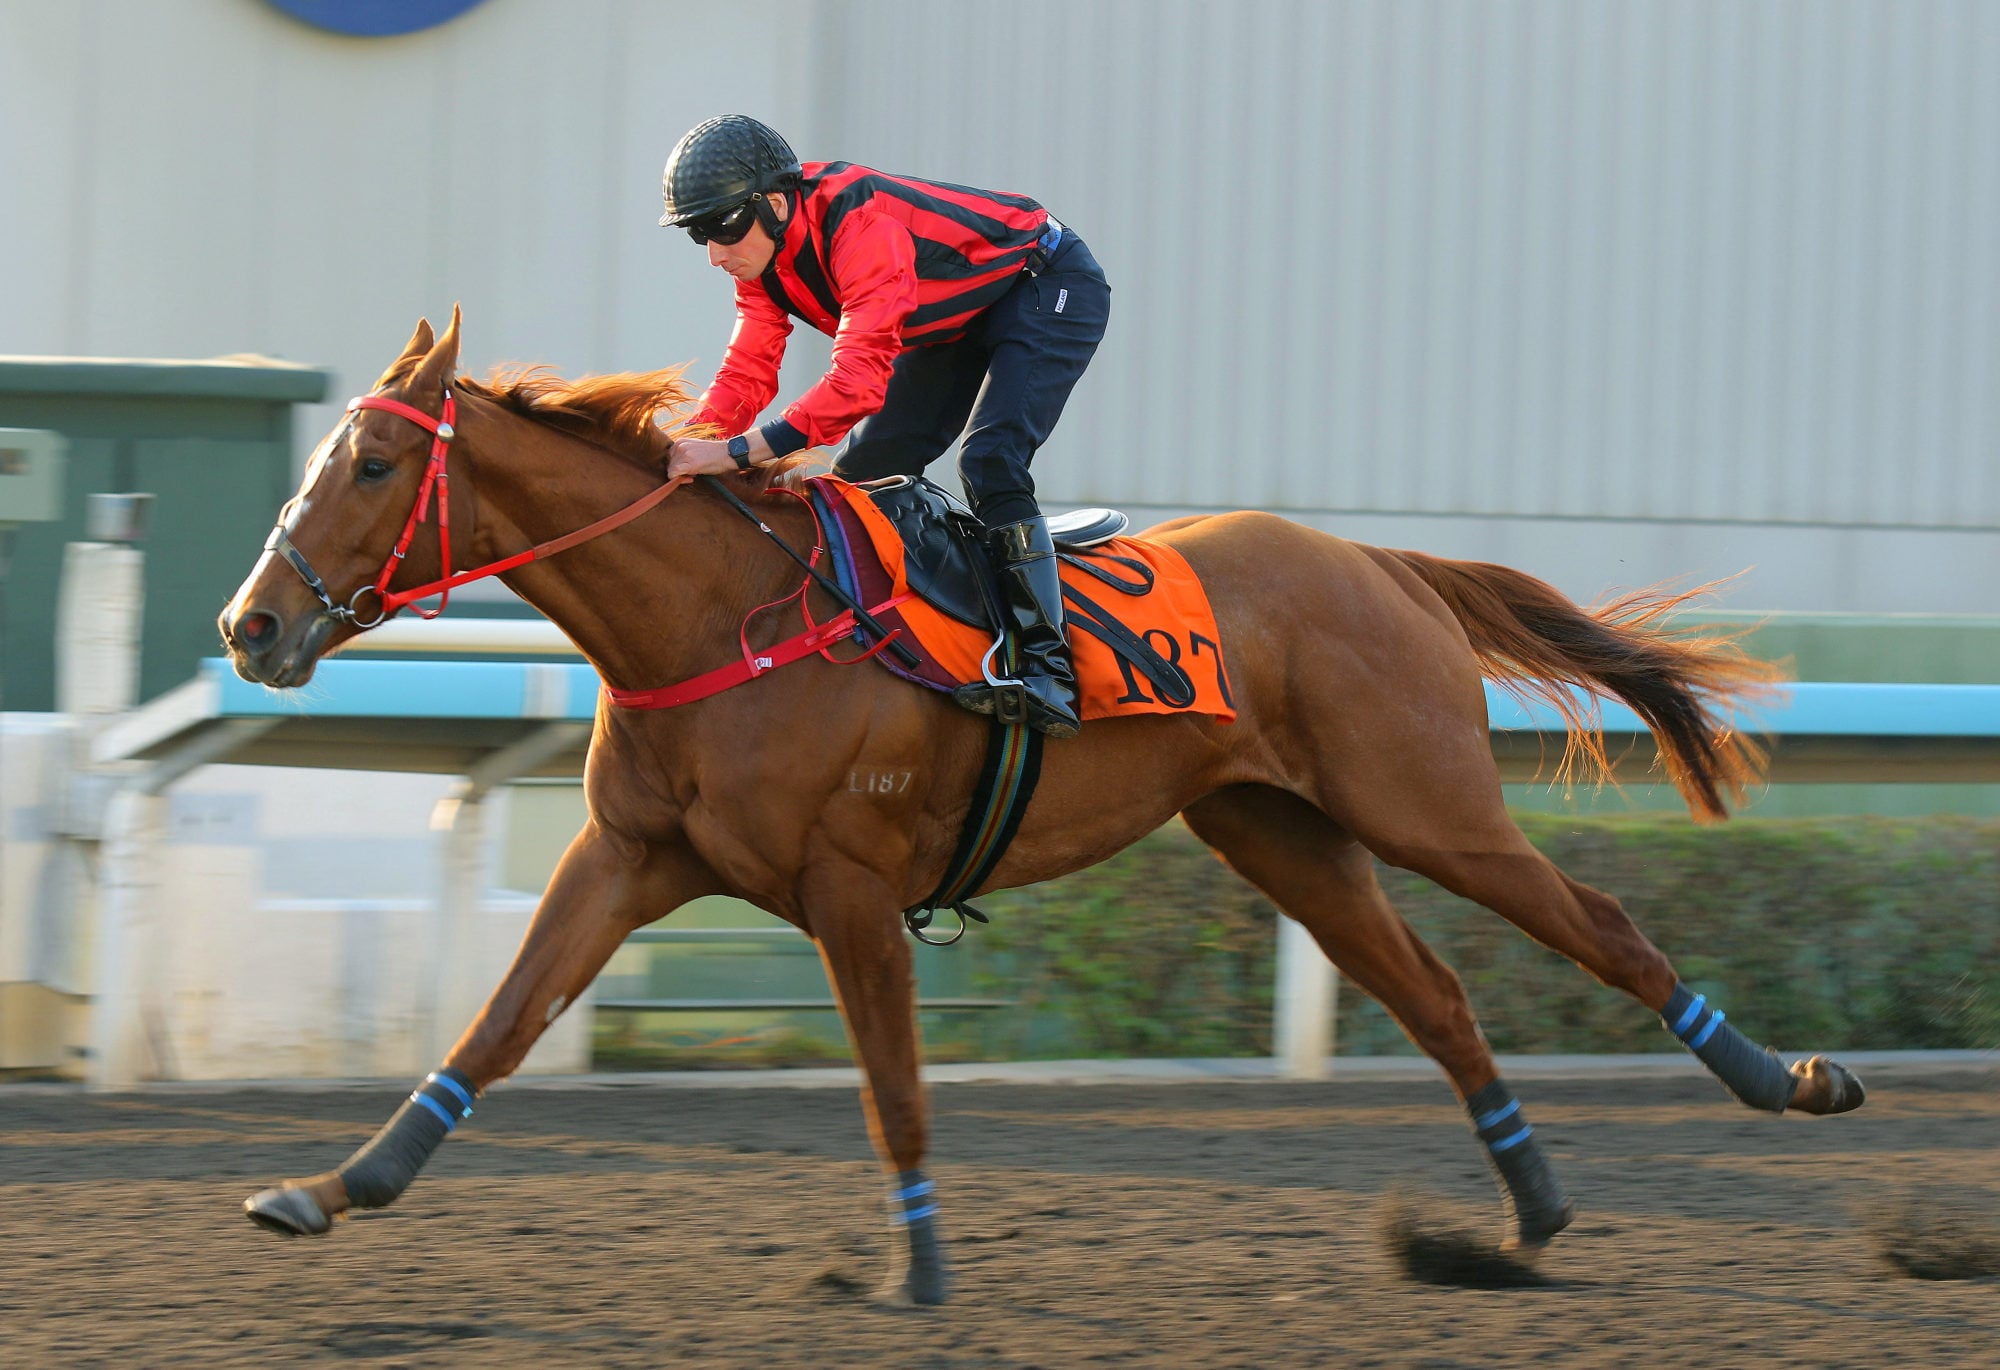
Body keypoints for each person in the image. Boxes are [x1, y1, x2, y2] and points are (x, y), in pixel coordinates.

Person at [660, 114, 1110, 740]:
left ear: (774, 203)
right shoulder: (762, 262)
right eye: (697, 234)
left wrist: (739, 453)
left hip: (1045, 283)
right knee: (861, 476)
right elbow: (746, 373)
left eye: (722, 227)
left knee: (989, 460)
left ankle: (1048, 669)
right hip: (953, 314)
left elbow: (856, 385)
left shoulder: (861, 226)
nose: (714, 253)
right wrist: (687, 446)